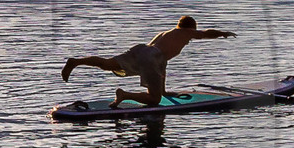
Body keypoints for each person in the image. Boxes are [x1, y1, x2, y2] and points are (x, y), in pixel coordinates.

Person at [60, 15, 235, 109]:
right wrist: (223, 33)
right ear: (190, 28)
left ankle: (76, 62)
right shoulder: (184, 32)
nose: (192, 38)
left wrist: (165, 90)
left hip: (142, 50)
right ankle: (124, 95)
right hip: (151, 57)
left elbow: (161, 66)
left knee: (107, 64)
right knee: (154, 100)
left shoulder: (166, 34)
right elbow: (206, 33)